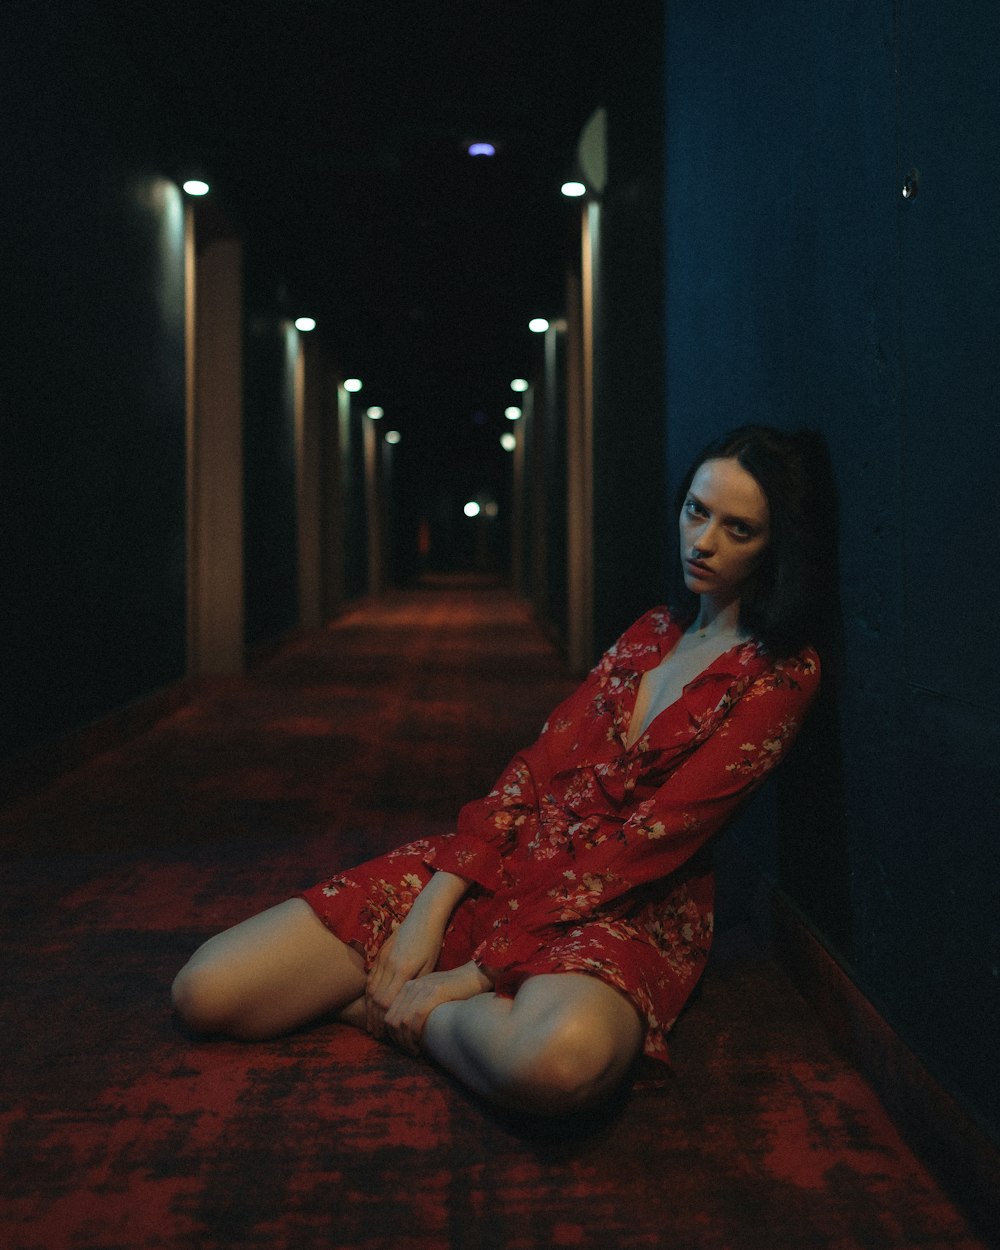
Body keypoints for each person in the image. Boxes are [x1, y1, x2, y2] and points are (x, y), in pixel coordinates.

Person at [172, 425, 823, 1116]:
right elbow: (532, 773)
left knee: (557, 1066)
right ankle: (413, 1004)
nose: (703, 542)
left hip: (620, 908)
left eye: (739, 529)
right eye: (696, 511)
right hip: (506, 861)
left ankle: (398, 1014)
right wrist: (434, 904)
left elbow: (648, 845)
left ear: (777, 545)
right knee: (206, 990)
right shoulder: (651, 633)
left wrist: (477, 973)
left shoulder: (781, 673)